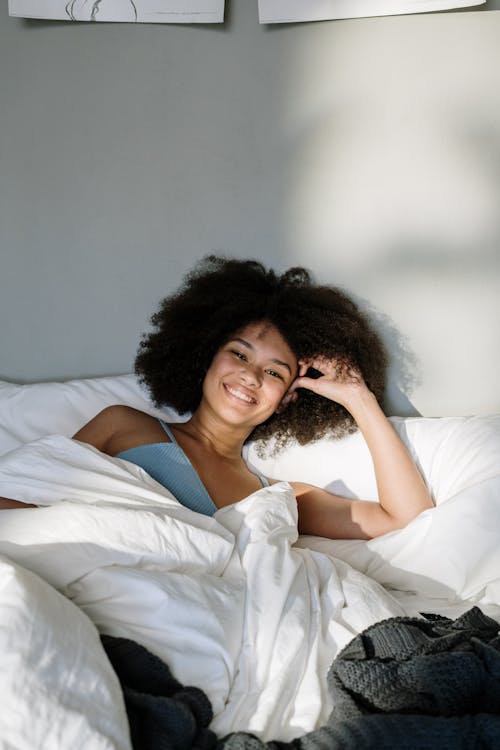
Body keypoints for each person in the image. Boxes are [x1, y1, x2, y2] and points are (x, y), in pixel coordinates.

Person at [0, 256, 434, 538]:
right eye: (239, 354)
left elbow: (405, 517)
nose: (249, 376)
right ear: (208, 356)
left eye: (273, 372)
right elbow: (32, 497)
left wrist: (357, 397)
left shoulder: (278, 499)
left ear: (286, 399)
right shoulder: (123, 425)